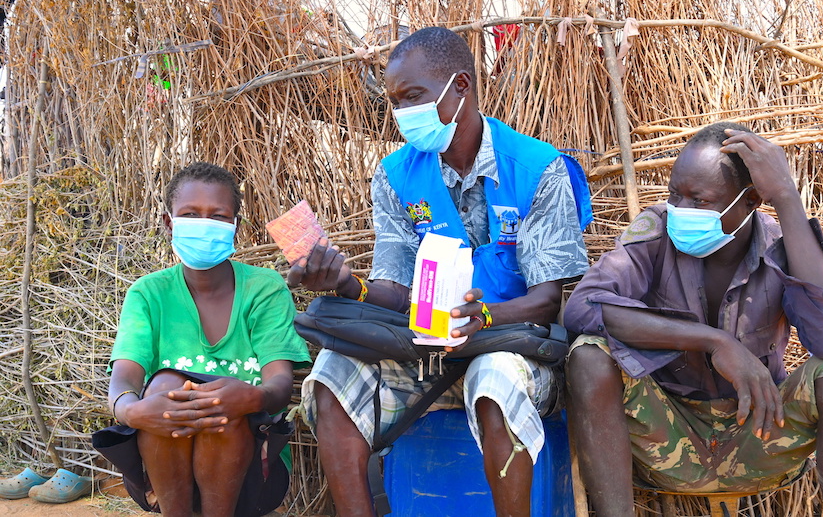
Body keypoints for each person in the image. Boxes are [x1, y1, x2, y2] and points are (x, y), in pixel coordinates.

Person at [288, 26, 592, 516]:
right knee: (330, 376)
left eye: (413, 97)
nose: (402, 114)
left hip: (514, 349)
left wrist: (484, 318)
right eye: (394, 102)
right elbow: (396, 290)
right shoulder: (395, 175)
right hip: (425, 351)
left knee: (495, 378)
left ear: (461, 87)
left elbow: (545, 300)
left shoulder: (537, 168)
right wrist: (347, 284)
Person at [564, 123, 823, 516]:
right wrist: (712, 341)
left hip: (762, 435)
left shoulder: (782, 246)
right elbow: (581, 309)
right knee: (588, 356)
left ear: (749, 202)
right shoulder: (656, 232)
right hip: (665, 437)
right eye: (676, 193)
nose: (682, 210)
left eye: (700, 199)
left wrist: (786, 196)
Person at [93, 162, 312, 517]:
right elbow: (124, 380)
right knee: (164, 386)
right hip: (162, 471)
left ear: (235, 227)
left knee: (218, 403)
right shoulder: (149, 294)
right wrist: (132, 411)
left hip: (252, 473)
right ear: (169, 223)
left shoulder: (264, 289)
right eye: (190, 214)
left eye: (218, 216)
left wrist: (252, 396)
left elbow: (279, 384)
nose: (204, 225)